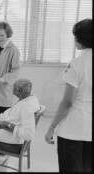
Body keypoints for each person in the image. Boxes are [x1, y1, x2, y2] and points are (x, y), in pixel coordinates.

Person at [45, 19, 92, 172]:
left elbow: (67, 102)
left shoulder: (76, 64)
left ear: (80, 40)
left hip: (73, 130)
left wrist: (51, 127)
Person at [0, 79, 40, 144]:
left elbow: (29, 134)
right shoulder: (27, 100)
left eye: (13, 87)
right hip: (8, 130)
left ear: (19, 91)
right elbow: (6, 114)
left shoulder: (26, 107)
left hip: (11, 136)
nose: (11, 88)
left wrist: (7, 124)